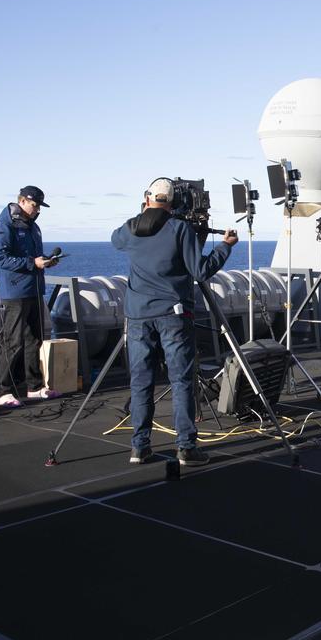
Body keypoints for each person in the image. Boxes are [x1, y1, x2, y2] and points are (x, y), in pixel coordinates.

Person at [112, 178, 237, 467]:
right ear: (173, 202)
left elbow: (115, 240)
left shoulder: (130, 228)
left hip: (139, 316)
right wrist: (226, 247)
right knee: (180, 381)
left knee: (141, 381)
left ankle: (139, 447)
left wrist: (142, 211)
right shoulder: (179, 228)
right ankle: (186, 447)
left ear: (147, 198)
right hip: (173, 314)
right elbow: (201, 270)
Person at [0, 185, 60, 408]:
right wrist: (33, 263)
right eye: (34, 205)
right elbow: (1, 259)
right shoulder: (5, 226)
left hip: (33, 289)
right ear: (22, 201)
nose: (37, 209)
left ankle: (35, 387)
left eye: (39, 206)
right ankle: (4, 390)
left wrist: (45, 261)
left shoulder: (33, 227)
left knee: (35, 339)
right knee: (12, 341)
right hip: (14, 292)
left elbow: (32, 257)